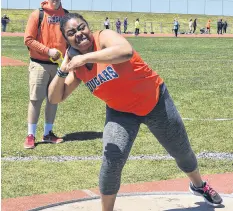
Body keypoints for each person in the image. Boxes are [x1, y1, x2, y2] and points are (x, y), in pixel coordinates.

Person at [48, 13, 223, 211]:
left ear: (89, 27)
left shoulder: (103, 37)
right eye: (71, 33)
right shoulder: (78, 68)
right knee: (112, 160)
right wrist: (64, 69)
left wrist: (83, 57)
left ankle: (198, 185)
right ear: (67, 40)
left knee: (181, 151)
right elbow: (55, 98)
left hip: (155, 102)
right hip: (120, 113)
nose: (79, 34)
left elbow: (125, 51)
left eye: (81, 27)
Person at [23, 0, 66, 149]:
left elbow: (69, 39)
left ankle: (48, 133)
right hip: (39, 64)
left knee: (53, 100)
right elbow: (28, 39)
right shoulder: (37, 15)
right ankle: (30, 135)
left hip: (58, 67)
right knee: (35, 100)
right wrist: (47, 51)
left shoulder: (66, 16)